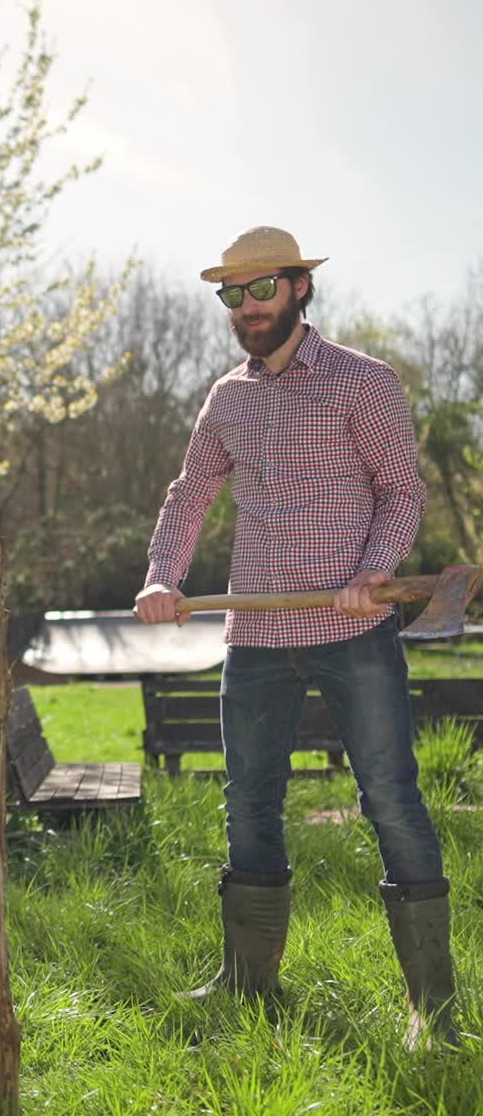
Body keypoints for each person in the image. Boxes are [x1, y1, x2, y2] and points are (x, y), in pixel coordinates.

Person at [134, 225, 456, 1048]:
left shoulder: (364, 382)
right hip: (257, 634)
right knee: (249, 800)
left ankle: (436, 1012)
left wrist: (373, 570)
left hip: (356, 630)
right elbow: (187, 494)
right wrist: (163, 576)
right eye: (232, 295)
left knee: (389, 795)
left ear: (300, 288)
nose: (247, 308)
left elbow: (401, 494)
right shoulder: (226, 399)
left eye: (262, 289)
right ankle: (249, 984)